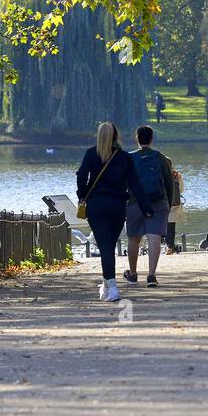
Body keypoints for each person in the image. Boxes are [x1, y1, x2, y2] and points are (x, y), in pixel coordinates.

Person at [76, 122, 153, 302]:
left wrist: (83, 194)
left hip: (96, 205)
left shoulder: (91, 153)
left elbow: (81, 176)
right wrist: (146, 207)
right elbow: (135, 185)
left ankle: (112, 286)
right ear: (116, 136)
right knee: (108, 246)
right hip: (117, 206)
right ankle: (106, 285)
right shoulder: (124, 157)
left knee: (105, 247)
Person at [125, 125, 175, 287]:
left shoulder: (128, 158)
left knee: (134, 238)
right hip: (158, 202)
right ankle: (151, 275)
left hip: (134, 202)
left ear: (137, 139)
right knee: (154, 237)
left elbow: (122, 182)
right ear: (151, 139)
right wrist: (167, 203)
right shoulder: (160, 158)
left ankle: (132, 274)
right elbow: (169, 183)